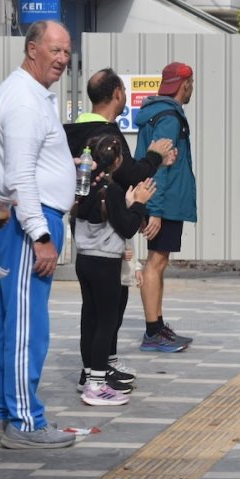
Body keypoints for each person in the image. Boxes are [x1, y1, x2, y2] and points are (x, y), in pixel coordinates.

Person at [64, 68, 177, 380]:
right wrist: (154, 158)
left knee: (93, 309)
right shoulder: (108, 138)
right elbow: (131, 175)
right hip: (108, 238)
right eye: (124, 92)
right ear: (116, 94)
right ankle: (98, 375)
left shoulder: (72, 134)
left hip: (84, 237)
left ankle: (97, 367)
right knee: (107, 311)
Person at [0, 20, 78, 448]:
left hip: (19, 222)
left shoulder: (24, 93)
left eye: (67, 51)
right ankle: (25, 421)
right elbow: (20, 176)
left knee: (7, 322)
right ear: (32, 50)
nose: (63, 59)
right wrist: (40, 234)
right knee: (27, 325)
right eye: (55, 50)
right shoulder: (25, 102)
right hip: (29, 224)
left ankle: (2, 413)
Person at [74, 134, 156, 406]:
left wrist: (128, 205)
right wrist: (140, 202)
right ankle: (97, 385)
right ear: (118, 161)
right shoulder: (112, 190)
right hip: (104, 263)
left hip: (84, 260)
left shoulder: (85, 186)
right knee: (106, 322)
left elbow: (103, 218)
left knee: (90, 318)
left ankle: (88, 375)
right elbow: (127, 226)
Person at [134, 62, 197, 353]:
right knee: (156, 263)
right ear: (184, 84)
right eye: (191, 83)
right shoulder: (170, 118)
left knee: (159, 262)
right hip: (163, 201)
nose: (192, 88)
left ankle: (157, 326)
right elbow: (159, 163)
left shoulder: (158, 112)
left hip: (161, 200)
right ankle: (152, 332)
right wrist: (155, 210)